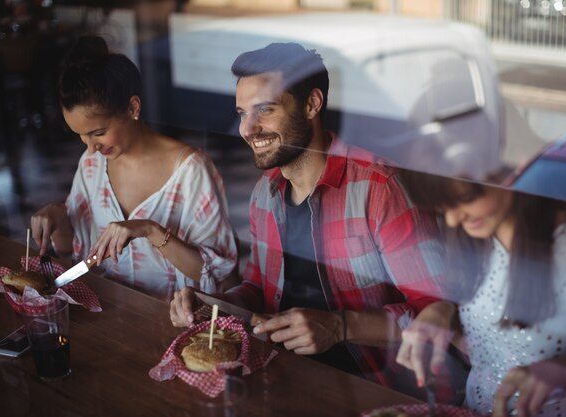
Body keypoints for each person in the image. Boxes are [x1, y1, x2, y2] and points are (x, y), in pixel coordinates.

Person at [170, 42, 445, 394]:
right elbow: (258, 290)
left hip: (373, 389)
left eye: (264, 110)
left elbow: (438, 313)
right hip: (277, 376)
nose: (247, 129)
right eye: (242, 113)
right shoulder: (265, 192)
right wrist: (212, 307)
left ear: (312, 104)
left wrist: (340, 327)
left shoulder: (378, 187)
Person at [395, 174, 566, 417]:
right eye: (443, 206)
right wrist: (443, 311)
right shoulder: (478, 232)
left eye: (466, 198)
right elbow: (496, 331)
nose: (452, 219)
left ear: (515, 166)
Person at [30, 35, 237, 299]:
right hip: (107, 312)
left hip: (173, 320)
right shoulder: (93, 164)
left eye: (98, 132)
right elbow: (73, 251)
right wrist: (58, 214)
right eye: (80, 135)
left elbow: (214, 275)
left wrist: (150, 230)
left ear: (132, 107)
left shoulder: (191, 171)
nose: (90, 147)